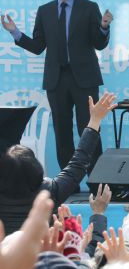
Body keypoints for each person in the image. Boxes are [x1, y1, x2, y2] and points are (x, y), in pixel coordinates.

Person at [1, 0, 113, 172]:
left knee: (89, 129)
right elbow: (37, 46)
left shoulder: (89, 7)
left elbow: (98, 42)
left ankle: (96, 179)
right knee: (62, 131)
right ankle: (68, 182)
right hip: (56, 79)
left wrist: (104, 27)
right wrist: (15, 32)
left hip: (84, 79)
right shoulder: (45, 11)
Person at [0, 91, 117, 234]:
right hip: (44, 252)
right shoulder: (50, 191)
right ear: (35, 167)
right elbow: (79, 162)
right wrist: (95, 120)